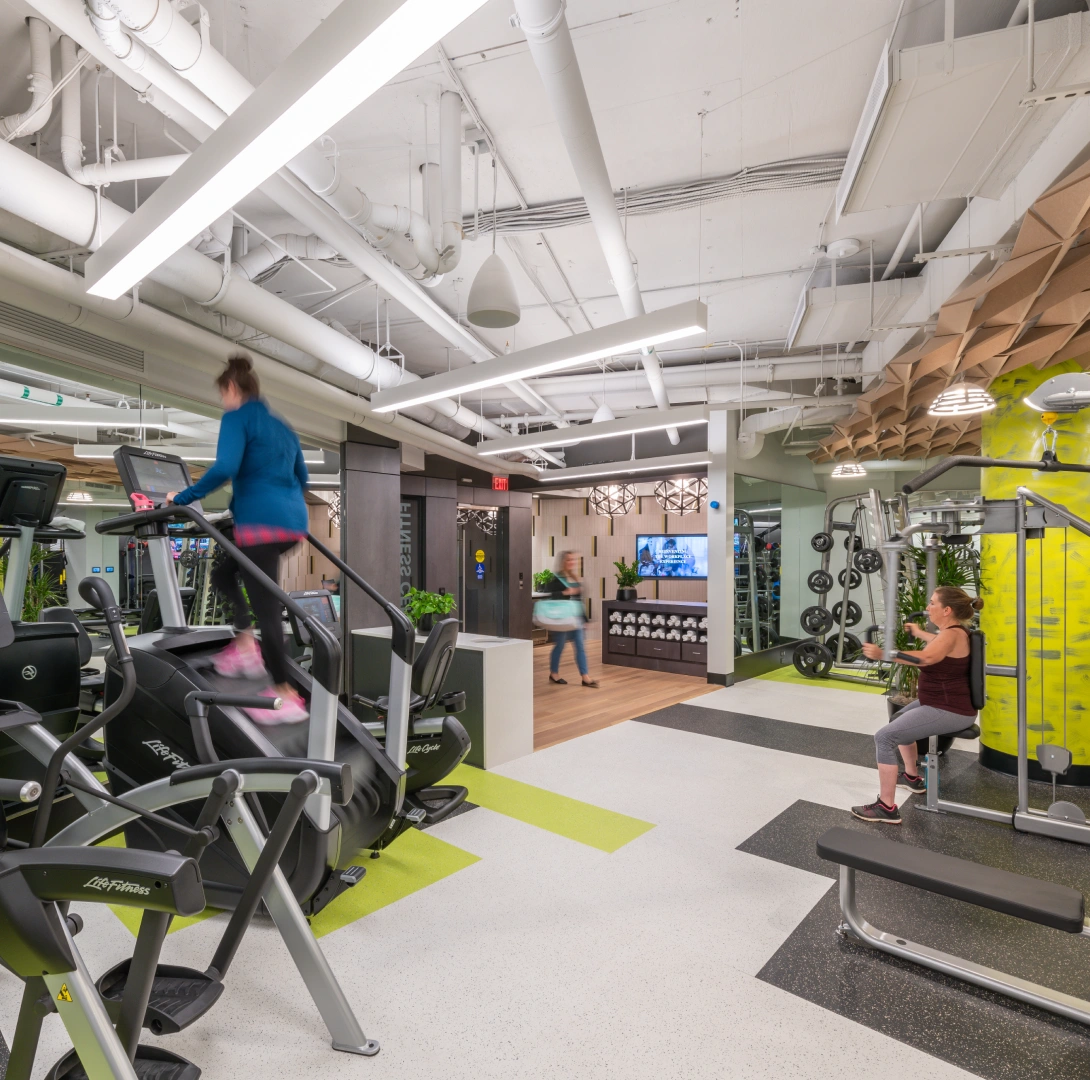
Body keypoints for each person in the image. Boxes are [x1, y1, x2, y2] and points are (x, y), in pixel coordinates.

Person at [166, 353, 310, 725]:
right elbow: (302, 477)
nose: (223, 401)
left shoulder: (237, 417)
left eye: (222, 394)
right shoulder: (282, 425)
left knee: (267, 609)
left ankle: (284, 694)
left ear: (231, 388)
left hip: (261, 526)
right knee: (223, 574)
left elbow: (226, 467)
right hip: (293, 524)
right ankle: (244, 644)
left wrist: (183, 497)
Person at [855, 586, 984, 824]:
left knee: (884, 737)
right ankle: (912, 778)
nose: (927, 607)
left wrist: (884, 654)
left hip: (948, 709)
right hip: (940, 703)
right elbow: (937, 643)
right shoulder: (955, 632)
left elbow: (927, 658)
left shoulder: (951, 635)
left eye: (932, 603)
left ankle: (886, 807)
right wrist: (919, 633)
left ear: (946, 610)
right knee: (898, 721)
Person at [547, 550, 598, 688]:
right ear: (563, 562)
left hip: (576, 620)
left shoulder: (576, 578)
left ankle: (585, 677)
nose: (571, 562)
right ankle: (554, 673)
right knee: (559, 646)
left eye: (573, 560)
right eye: (568, 560)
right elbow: (550, 594)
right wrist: (566, 592)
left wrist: (585, 620)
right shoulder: (556, 578)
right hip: (562, 620)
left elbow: (579, 602)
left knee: (580, 647)